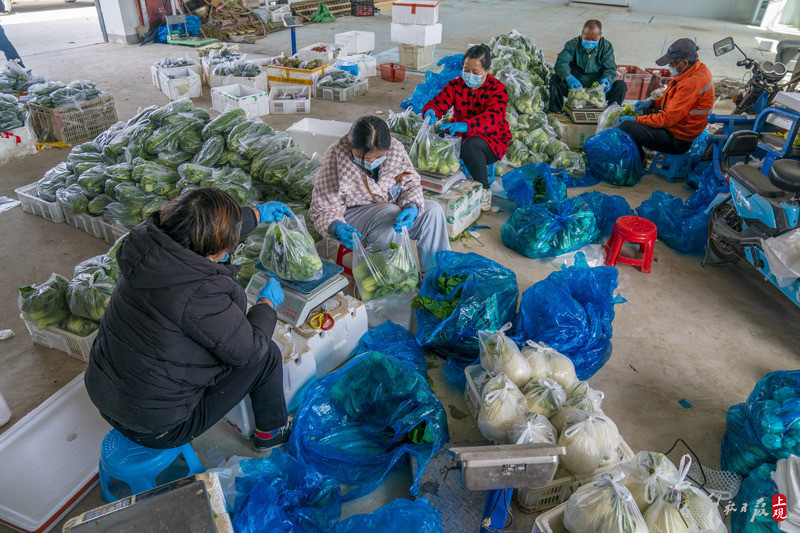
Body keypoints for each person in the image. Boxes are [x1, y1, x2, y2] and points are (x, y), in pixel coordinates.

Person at [85, 188, 294, 453]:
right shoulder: (201, 292)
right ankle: (272, 432)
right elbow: (249, 352)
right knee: (266, 355)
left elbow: (196, 233)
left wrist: (255, 214)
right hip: (156, 427)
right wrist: (266, 305)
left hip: (104, 395)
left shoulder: (149, 250)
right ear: (212, 254)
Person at [309, 115, 450, 274]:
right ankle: (395, 280)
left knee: (433, 211)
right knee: (390, 213)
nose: (371, 161)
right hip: (354, 217)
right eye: (366, 158)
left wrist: (411, 207)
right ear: (351, 144)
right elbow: (323, 209)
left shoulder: (395, 149)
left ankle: (435, 276)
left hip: (392, 208)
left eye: (378, 157)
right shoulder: (335, 157)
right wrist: (336, 226)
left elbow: (410, 183)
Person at [422, 44, 511, 212]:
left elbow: (493, 119)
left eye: (475, 72)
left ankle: (485, 189)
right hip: (460, 136)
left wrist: (465, 126)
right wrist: (431, 111)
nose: (469, 75)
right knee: (436, 137)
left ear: (487, 70)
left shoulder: (498, 90)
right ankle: (440, 182)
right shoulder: (456, 85)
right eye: (466, 70)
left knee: (471, 144)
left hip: (491, 141)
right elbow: (439, 101)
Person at [619, 38, 714, 160]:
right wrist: (651, 103)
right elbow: (673, 100)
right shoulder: (697, 69)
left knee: (627, 126)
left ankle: (639, 161)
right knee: (643, 113)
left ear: (684, 63)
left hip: (678, 139)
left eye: (672, 63)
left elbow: (666, 119)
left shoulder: (692, 84)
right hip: (677, 125)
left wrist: (635, 119)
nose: (669, 66)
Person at [549, 19, 626, 113]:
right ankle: (556, 112)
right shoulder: (572, 44)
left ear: (600, 36)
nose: (590, 41)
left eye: (594, 39)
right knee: (555, 79)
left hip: (597, 89)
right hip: (575, 87)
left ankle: (611, 114)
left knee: (621, 85)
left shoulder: (606, 46)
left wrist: (607, 79)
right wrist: (569, 77)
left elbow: (610, 68)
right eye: (587, 38)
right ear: (582, 34)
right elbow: (561, 62)